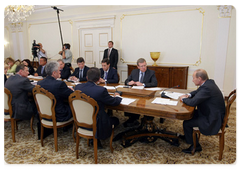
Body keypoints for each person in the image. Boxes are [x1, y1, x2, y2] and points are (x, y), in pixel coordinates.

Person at [179, 69, 225, 154]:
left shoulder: (207, 88)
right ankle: (188, 137)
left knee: (187, 123)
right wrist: (188, 95)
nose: (192, 80)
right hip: (210, 112)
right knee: (189, 116)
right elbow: (197, 91)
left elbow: (193, 102)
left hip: (212, 119)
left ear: (199, 78)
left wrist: (183, 98)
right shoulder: (208, 83)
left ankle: (196, 146)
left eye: (193, 78)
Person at [75, 67, 122, 146]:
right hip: (97, 122)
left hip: (81, 119)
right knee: (116, 120)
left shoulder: (78, 87)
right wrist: (117, 96)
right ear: (99, 79)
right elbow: (114, 102)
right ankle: (97, 136)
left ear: (87, 77)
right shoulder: (101, 90)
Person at [123, 58, 158, 127]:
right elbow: (126, 81)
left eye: (145, 65)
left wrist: (143, 84)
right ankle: (133, 118)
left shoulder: (151, 72)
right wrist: (129, 82)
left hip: (146, 95)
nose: (144, 67)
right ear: (138, 67)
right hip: (135, 93)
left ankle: (146, 118)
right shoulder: (134, 72)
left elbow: (154, 83)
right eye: (141, 66)